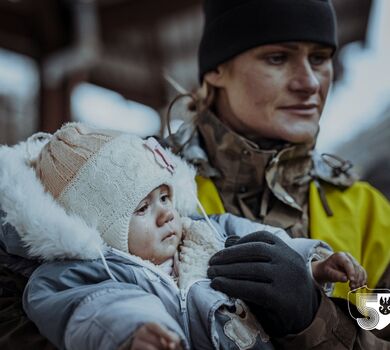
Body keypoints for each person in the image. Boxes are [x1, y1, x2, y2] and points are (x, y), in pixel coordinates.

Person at [0, 123, 366, 350]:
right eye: (141, 209)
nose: (166, 213)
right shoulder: (102, 272)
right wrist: (137, 333)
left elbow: (384, 321)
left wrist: (311, 272)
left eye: (164, 196)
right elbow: (102, 308)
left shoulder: (369, 204)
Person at [163, 0, 390, 346]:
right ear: (215, 69)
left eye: (319, 58)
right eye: (277, 58)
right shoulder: (152, 192)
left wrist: (315, 314)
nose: (310, 82)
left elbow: (385, 330)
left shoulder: (368, 213)